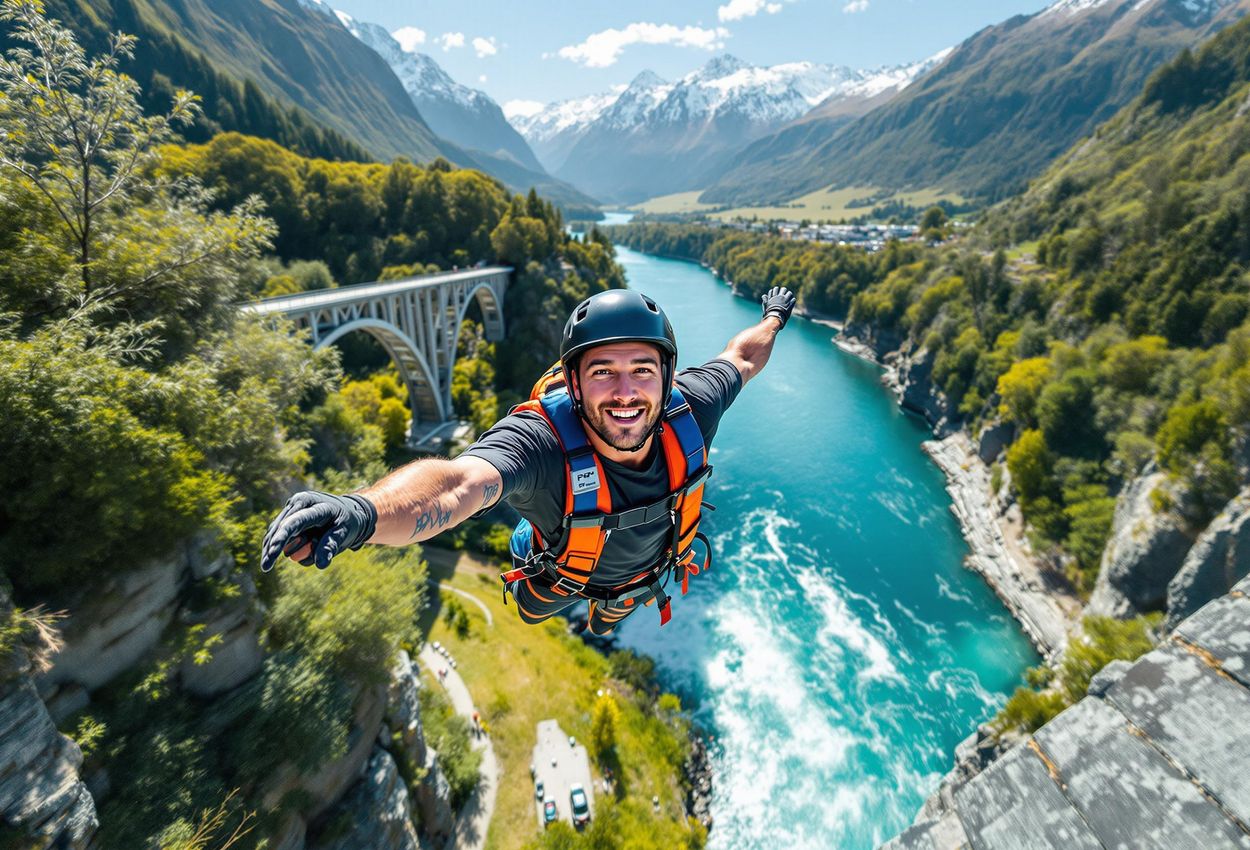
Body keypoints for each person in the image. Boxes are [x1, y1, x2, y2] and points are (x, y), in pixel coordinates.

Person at [260, 286, 797, 634]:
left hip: (644, 571)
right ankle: (534, 539)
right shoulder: (540, 444)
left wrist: (773, 318)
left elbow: (742, 358)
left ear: (666, 374)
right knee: (531, 607)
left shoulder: (693, 408)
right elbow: (456, 484)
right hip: (559, 569)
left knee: (612, 614)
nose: (626, 392)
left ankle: (608, 603)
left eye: (642, 369)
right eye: (603, 371)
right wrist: (363, 513)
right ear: (573, 383)